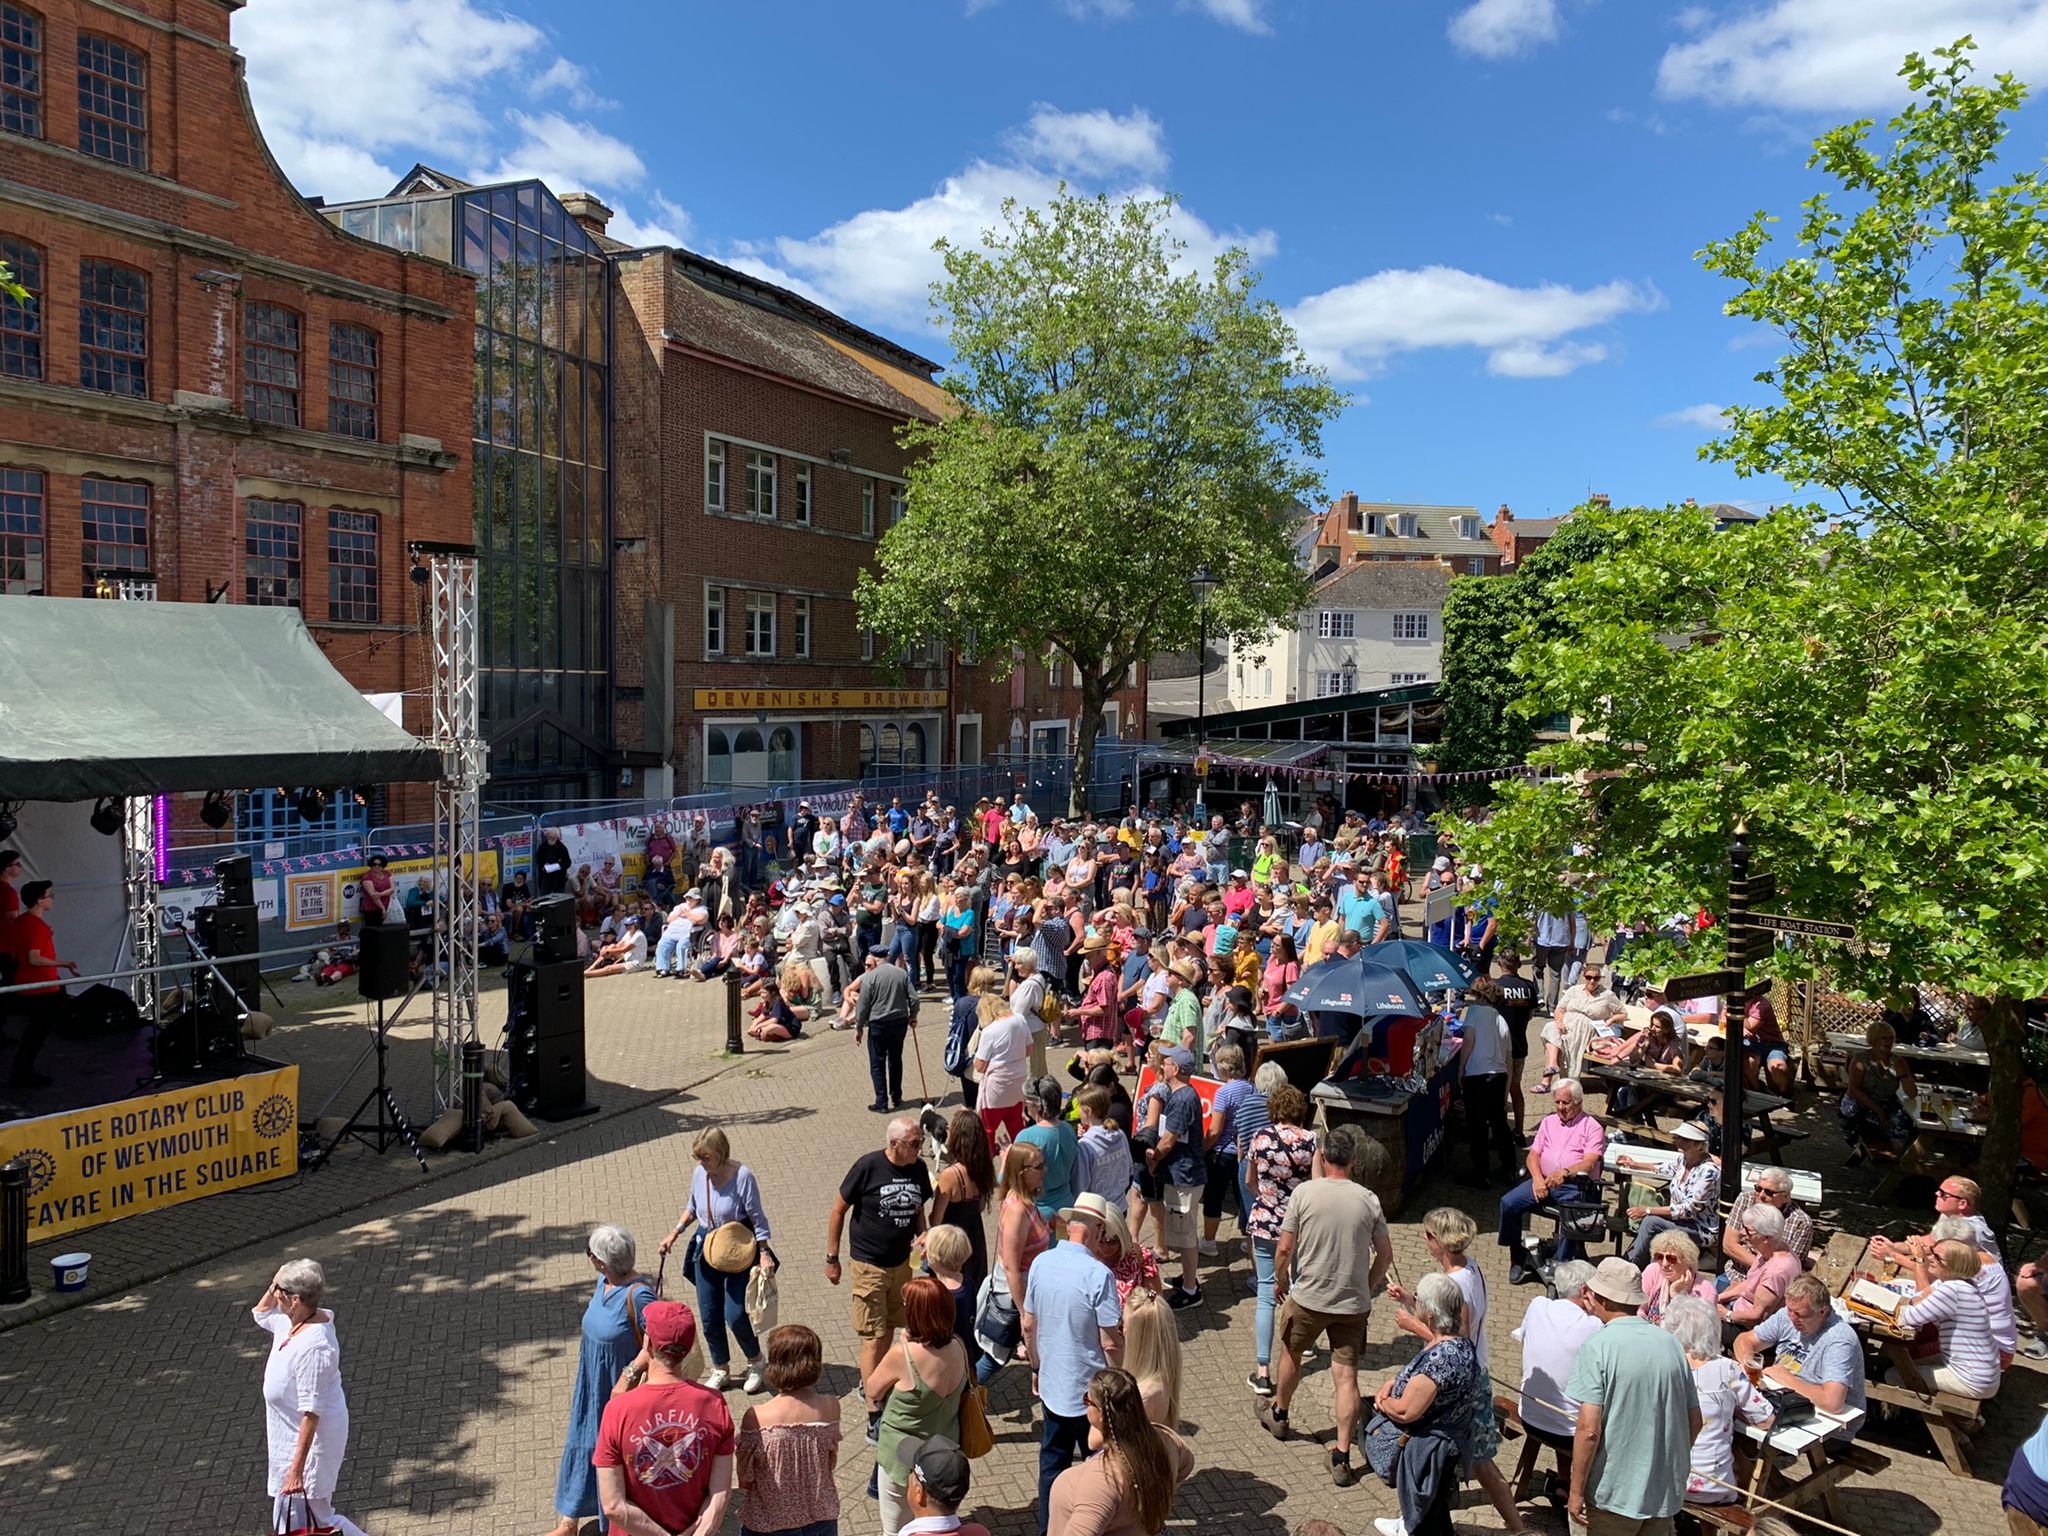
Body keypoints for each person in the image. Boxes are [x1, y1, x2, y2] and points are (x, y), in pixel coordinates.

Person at [1261, 1124, 1394, 1487]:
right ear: (1353, 1161)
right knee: (1346, 1377)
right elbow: (1385, 1255)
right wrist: (1365, 1286)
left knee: (1291, 1353)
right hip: (1352, 1304)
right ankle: (1342, 1453)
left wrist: (1280, 1278)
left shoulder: (1304, 1194)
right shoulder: (1368, 1200)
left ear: (1322, 1156)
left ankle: (1280, 1413)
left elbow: (1285, 1248)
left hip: (1309, 1297)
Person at [1390, 1207, 1526, 1533]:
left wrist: (1412, 1325)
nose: (1424, 1241)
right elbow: (1442, 1318)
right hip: (1473, 1373)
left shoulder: (1456, 1285)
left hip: (1465, 1381)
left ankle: (1516, 1526)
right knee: (1455, 1456)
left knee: (1475, 1459)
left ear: (1438, 1240)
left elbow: (1456, 1344)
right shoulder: (1471, 1267)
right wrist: (1411, 1298)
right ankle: (1417, 1517)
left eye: (1427, 1235)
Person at [1564, 1257, 1702, 1535]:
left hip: (1613, 1493)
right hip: (1662, 1494)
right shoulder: (1671, 1343)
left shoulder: (1598, 1346)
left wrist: (1575, 1492)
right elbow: (1695, 1420)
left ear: (1602, 1298)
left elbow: (1589, 1430)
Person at [1024, 1197, 1127, 1531]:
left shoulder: (1041, 1263)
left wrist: (1037, 1368)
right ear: (1097, 1231)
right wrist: (1119, 1381)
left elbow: (1029, 1324)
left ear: (1070, 1227)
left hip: (1054, 1383)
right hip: (1092, 1393)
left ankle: (1048, 1528)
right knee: (1100, 1467)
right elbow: (1110, 1341)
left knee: (1052, 1462)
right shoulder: (1098, 1274)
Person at [549, 1226, 658, 1536]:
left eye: (591, 1255)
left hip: (618, 1388)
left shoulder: (640, 1294)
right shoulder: (604, 1282)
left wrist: (629, 1375)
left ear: (601, 1262)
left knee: (610, 1452)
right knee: (583, 1441)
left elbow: (655, 1341)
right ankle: (569, 1520)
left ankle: (613, 1525)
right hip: (592, 1381)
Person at [597, 1300, 736, 1536]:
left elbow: (612, 1506)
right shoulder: (714, 1403)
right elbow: (720, 1493)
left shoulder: (617, 1410)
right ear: (691, 1346)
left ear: (648, 1344)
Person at [659, 1129, 777, 1394]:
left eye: (706, 1157)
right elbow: (692, 1207)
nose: (701, 1163)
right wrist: (674, 1232)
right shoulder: (700, 1174)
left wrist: (765, 1252)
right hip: (706, 1250)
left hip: (736, 1250)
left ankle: (755, 1361)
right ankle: (720, 1368)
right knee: (709, 1314)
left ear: (722, 1154)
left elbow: (757, 1218)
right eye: (698, 1157)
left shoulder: (743, 1177)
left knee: (735, 1315)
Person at [253, 1258, 364, 1536]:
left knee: (321, 1522)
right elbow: (260, 1313)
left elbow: (311, 1414)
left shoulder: (315, 1347)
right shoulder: (288, 1322)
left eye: (279, 1290)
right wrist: (276, 1282)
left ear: (295, 1300)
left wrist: (296, 1471)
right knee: (302, 1523)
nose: (274, 1294)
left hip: (311, 1449)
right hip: (289, 1443)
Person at [827, 1117, 932, 1398]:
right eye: (914, 1144)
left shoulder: (918, 1169)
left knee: (888, 1327)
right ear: (894, 1144)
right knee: (872, 1337)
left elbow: (919, 1210)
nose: (919, 1149)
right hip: (868, 1265)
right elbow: (838, 1210)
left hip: (901, 1264)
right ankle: (873, 1404)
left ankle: (874, 1381)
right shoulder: (868, 1167)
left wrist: (924, 1235)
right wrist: (832, 1257)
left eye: (920, 1142)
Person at [1369, 1271, 1481, 1536]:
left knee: (1427, 1512)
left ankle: (1411, 1528)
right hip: (1451, 1442)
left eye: (1418, 1299)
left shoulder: (1440, 1360)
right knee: (1436, 1505)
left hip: (1431, 1449)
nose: (1415, 1301)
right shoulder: (1461, 1344)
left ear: (1430, 1315)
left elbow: (1407, 1410)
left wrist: (1384, 1403)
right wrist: (1395, 1381)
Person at [868, 1276, 969, 1536]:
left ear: (916, 1313)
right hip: (943, 1458)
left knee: (894, 1529)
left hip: (902, 1458)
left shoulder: (902, 1355)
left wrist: (904, 1344)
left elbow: (872, 1390)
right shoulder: (959, 1346)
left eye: (905, 1303)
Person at [1046, 1367, 1193, 1536]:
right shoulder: (1164, 1438)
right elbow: (1186, 1465)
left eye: (1087, 1400)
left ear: (1101, 1412)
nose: (1085, 1405)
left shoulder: (1102, 1479)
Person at [1660, 1295, 1772, 1506]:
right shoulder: (1726, 1369)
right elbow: (1766, 1419)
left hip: (1667, 1482)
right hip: (1713, 1486)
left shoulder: (1662, 1366)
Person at [1244, 1083, 1319, 1398]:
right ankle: (1299, 1348)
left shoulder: (1259, 1138)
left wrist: (1265, 1200)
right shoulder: (1312, 1140)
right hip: (1299, 1224)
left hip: (1264, 1222)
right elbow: (1316, 1185)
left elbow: (1249, 1180)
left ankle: (1263, 1370)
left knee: (1265, 1292)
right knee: (1300, 1286)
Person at [1498, 1078, 1607, 1284]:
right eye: (1557, 1102)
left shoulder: (1592, 1127)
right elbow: (1533, 1156)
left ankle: (1561, 1265)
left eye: (1565, 1103)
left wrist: (1565, 1173)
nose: (1560, 1107)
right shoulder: (1548, 1122)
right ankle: (1517, 1257)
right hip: (1544, 1181)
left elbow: (1590, 1162)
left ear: (1578, 1102)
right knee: (1508, 1203)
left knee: (1571, 1214)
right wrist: (1538, 1180)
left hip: (1576, 1186)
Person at [735, 1324, 840, 1536]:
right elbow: (831, 1462)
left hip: (769, 1523)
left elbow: (745, 1477)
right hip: (822, 1518)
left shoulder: (756, 1416)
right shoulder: (831, 1405)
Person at [1511, 1258, 1601, 1505]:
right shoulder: (1594, 1325)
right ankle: (1582, 1488)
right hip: (1568, 1431)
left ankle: (1563, 1480)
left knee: (1567, 1396)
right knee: (1589, 1408)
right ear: (1586, 1291)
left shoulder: (1538, 1305)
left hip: (1531, 1416)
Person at [1733, 1274, 1867, 1436]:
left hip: (1827, 1423)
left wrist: (1786, 1379)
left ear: (1822, 1312)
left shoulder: (1839, 1339)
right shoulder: (1787, 1315)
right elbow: (1744, 1340)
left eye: (1800, 1314)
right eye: (1790, 1310)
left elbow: (1833, 1403)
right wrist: (1749, 1364)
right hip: (1784, 1400)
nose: (1792, 1318)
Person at [1893, 1239, 2002, 1400]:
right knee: (1904, 1363)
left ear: (1954, 1266)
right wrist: (1915, 1303)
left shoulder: (1953, 1290)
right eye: (1932, 1253)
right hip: (1982, 1372)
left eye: (1937, 1257)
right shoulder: (1960, 1283)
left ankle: (1951, 1421)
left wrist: (1903, 1306)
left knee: (1894, 1374)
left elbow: (1910, 1317)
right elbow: (1919, 1297)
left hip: (1972, 1380)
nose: (1930, 1258)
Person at [979, 1139, 1050, 1384]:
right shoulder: (1017, 1209)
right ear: (1022, 1173)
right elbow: (1011, 1266)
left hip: (1026, 1288)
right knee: (995, 1356)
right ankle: (962, 1401)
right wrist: (1023, 1313)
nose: (1045, 1170)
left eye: (1043, 1164)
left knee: (1000, 1352)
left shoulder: (1025, 1199)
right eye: (1038, 1167)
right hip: (1014, 1293)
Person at [1144, 1045, 1208, 1310]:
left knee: (1185, 1235)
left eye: (1167, 1062)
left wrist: (1153, 1157)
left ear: (1177, 1069)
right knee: (1183, 1232)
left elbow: (1169, 1140)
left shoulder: (1181, 1099)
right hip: (1183, 1173)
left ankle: (1191, 1290)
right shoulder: (1183, 1095)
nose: (1163, 1065)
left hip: (1184, 1176)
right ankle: (1187, 1277)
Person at [5, 879, 75, 1088]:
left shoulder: (20, 921)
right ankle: (22, 1071)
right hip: (41, 985)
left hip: (27, 982)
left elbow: (15, 953)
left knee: (36, 1029)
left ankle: (22, 1069)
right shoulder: (38, 927)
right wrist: (64, 963)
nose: (52, 900)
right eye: (49, 896)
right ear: (39, 900)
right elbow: (34, 957)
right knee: (37, 1031)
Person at [1624, 1121, 1720, 1266]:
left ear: (1699, 1144)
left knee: (1651, 1222)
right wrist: (1635, 1164)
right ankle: (1637, 1266)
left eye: (1686, 1139)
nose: (1679, 1141)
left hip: (1701, 1228)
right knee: (1653, 1229)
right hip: (1680, 1222)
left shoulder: (1709, 1171)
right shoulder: (1683, 1160)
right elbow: (1665, 1167)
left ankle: (1633, 1264)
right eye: (1678, 1137)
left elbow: (1688, 1209)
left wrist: (1648, 1210)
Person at [929, 1110, 996, 1310]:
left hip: (951, 1241)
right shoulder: (983, 1168)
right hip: (974, 1236)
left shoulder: (951, 1175)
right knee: (972, 1289)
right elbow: (981, 1205)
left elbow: (935, 1220)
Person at [1201, 1042, 1261, 1255]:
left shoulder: (1223, 1093)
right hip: (1245, 1152)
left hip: (1223, 1153)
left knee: (1214, 1196)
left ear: (1224, 1067)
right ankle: (1250, 1240)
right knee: (1244, 1197)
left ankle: (1209, 1241)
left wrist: (1203, 1149)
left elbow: (1215, 1130)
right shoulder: (1252, 1088)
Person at [1459, 976, 1516, 1187]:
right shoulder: (1502, 1021)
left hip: (1478, 1076)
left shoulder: (1474, 1013)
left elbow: (1469, 1041)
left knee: (1477, 1125)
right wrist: (1506, 1088)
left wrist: (1461, 1068)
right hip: (1498, 1076)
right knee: (1499, 1123)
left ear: (1481, 997)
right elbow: (1509, 1059)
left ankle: (1481, 1172)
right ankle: (1509, 1168)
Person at [1838, 1017, 1918, 1164]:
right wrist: (1878, 1110)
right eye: (1884, 1038)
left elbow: (1912, 1094)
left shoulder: (1898, 1061)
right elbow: (1853, 1089)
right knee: (1865, 1119)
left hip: (1885, 1103)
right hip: (1859, 1103)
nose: (1888, 1042)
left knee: (1903, 1121)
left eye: (1891, 1038)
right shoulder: (1861, 1060)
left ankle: (1898, 1162)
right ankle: (1887, 1158)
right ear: (1873, 1040)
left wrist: (1905, 1075)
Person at [1538, 961, 1626, 1091]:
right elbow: (1560, 1009)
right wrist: (1559, 1022)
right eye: (1589, 977)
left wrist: (1611, 1019)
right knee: (1550, 1027)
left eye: (1596, 978)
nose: (1592, 981)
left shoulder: (1607, 995)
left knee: (1566, 1039)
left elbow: (1623, 1013)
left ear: (1600, 979)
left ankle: (1552, 1081)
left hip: (1587, 1028)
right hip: (1567, 1023)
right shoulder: (1574, 990)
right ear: (1584, 977)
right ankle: (1552, 1065)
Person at [1721, 1168, 1814, 1279]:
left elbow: (1787, 1268)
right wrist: (1760, 1267)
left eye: (1769, 1192)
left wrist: (1764, 1272)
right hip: (1735, 1273)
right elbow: (1729, 1245)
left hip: (1771, 1281)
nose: (1761, 1195)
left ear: (1785, 1197)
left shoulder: (1801, 1223)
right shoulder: (1746, 1199)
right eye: (1758, 1188)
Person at [856, 946, 918, 1114]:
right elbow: (914, 998)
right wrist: (913, 1016)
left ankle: (881, 1102)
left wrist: (859, 1027)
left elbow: (862, 1006)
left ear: (874, 959)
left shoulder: (870, 978)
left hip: (878, 1025)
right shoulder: (901, 973)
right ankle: (896, 1096)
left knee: (877, 1063)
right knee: (896, 1059)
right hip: (899, 1023)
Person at [1716, 1205, 1798, 1328]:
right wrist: (1719, 1297)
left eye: (1748, 1230)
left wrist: (1726, 1314)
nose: (1742, 1233)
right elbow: (1751, 1283)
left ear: (1766, 1237)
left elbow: (1759, 1317)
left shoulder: (1775, 1272)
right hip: (1738, 1309)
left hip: (1745, 1327)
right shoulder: (1771, 1249)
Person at [1016, 1076, 1081, 1225]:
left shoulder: (1026, 1136)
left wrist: (1006, 1157)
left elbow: (1008, 1179)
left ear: (1037, 1106)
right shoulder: (1067, 1129)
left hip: (1039, 1212)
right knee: (1063, 1245)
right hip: (1066, 1206)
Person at [973, 993, 1033, 1146]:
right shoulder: (1020, 1019)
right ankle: (1023, 1157)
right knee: (1017, 1127)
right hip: (1018, 1082)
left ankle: (987, 1160)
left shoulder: (989, 1031)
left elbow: (980, 1066)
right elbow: (1029, 1049)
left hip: (996, 1088)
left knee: (987, 1130)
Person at [1122, 1284, 1184, 1430]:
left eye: (1122, 1326)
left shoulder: (1142, 1396)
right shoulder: (1164, 1376)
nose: (1122, 1332)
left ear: (1139, 1340)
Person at [1494, 950, 1540, 1138]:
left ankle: (1500, 1134)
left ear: (1499, 964)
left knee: (1499, 1092)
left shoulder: (1494, 987)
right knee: (1515, 1088)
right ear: (1519, 965)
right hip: (1520, 1045)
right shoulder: (1529, 987)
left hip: (1498, 1048)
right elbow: (1530, 1016)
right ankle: (1519, 1131)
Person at [1074, 1083, 1134, 1214]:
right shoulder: (1119, 1134)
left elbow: (1080, 1186)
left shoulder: (1085, 1146)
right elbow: (1129, 1169)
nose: (1078, 1111)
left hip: (1096, 1212)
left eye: (1079, 1108)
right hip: (1119, 1208)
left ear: (1088, 1111)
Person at [1638, 1229, 1717, 1326]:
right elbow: (1638, 1308)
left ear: (1687, 1260)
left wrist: (1676, 1296)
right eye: (1659, 1256)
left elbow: (1697, 1330)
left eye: (1671, 1258)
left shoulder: (1706, 1290)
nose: (1664, 1264)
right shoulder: (1653, 1271)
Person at [357, 853, 396, 925]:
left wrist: (380, 894)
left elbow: (392, 889)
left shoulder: (387, 874)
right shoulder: (367, 877)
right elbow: (373, 895)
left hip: (388, 906)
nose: (377, 866)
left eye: (379, 865)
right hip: (372, 908)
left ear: (383, 865)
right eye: (374, 864)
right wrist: (382, 909)